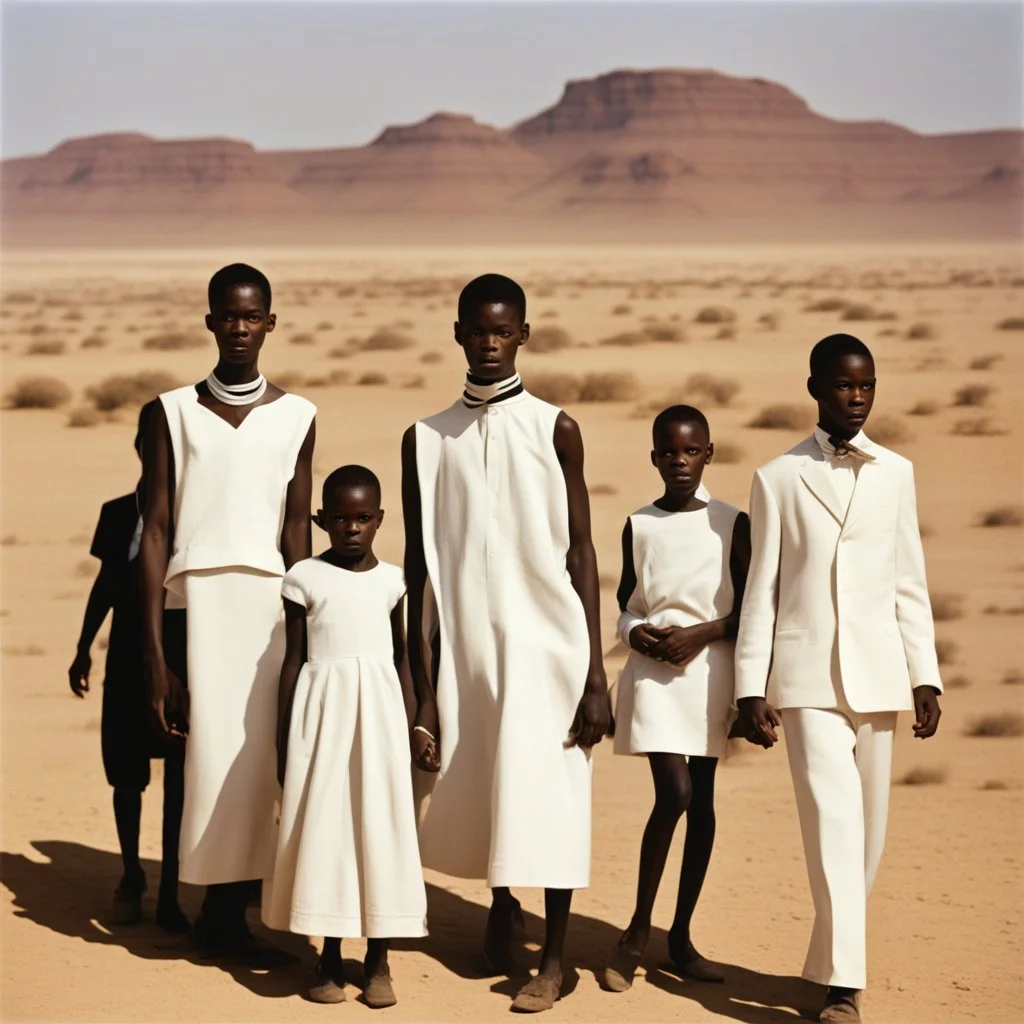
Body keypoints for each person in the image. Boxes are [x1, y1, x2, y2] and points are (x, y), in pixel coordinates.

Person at [402, 273, 612, 1013]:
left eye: (503, 330)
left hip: (549, 652)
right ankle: (500, 907)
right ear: (457, 332)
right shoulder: (425, 439)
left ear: (523, 334)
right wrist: (422, 690)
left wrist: (595, 674)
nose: (489, 342)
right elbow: (418, 570)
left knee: (550, 796)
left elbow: (583, 554)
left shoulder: (555, 428)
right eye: (476, 329)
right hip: (465, 652)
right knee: (486, 782)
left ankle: (553, 960)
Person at [735, 334, 943, 1023]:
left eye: (866, 386)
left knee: (868, 835)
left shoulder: (897, 472)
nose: (855, 398)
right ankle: (844, 989)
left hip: (882, 674)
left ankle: (830, 959)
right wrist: (750, 685)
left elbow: (908, 583)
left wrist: (926, 677)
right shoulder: (778, 477)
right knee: (832, 822)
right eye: (843, 386)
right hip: (806, 678)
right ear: (815, 389)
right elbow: (761, 589)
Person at [140, 263, 316, 965]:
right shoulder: (170, 411)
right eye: (227, 316)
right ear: (209, 321)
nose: (239, 328)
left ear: (270, 323)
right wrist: (158, 661)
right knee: (209, 761)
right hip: (198, 608)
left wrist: (309, 631)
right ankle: (210, 913)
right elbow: (155, 531)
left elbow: (298, 534)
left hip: (270, 609)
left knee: (260, 763)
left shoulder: (298, 416)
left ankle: (233, 914)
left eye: (252, 317)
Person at [262, 465, 427, 1008]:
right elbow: (293, 662)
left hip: (379, 719)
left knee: (380, 827)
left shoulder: (394, 581)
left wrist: (413, 726)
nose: (352, 528)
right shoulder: (303, 577)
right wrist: (286, 740)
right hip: (322, 718)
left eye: (363, 518)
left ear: (380, 519)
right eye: (339, 518)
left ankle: (378, 961)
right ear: (320, 520)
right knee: (329, 829)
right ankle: (329, 955)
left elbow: (405, 660)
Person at [602, 405, 750, 992]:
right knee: (677, 792)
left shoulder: (732, 522)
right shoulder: (639, 524)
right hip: (656, 676)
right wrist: (634, 632)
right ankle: (637, 930)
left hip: (710, 675)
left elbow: (752, 611)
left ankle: (680, 937)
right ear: (655, 457)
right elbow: (626, 602)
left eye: (691, 451)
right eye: (668, 452)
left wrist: (703, 633)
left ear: (709, 453)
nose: (679, 462)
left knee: (704, 805)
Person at [68, 401, 188, 932]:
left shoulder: (194, 516)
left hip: (181, 661)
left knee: (181, 776)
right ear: (141, 449)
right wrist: (82, 646)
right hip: (124, 658)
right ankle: (132, 873)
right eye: (150, 445)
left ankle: (169, 891)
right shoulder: (117, 513)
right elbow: (106, 585)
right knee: (126, 772)